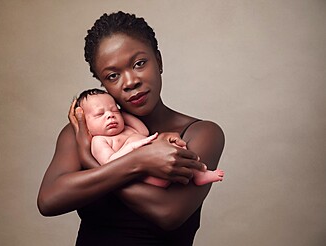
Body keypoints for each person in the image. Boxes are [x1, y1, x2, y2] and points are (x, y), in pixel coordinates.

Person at [38, 11, 225, 246]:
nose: (130, 82)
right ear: (102, 83)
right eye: (113, 75)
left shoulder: (201, 133)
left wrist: (89, 159)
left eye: (139, 64)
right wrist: (140, 161)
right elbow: (49, 200)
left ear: (159, 61)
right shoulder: (84, 131)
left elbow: (169, 213)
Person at [77, 88, 224, 187]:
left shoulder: (127, 128)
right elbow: (109, 163)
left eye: (114, 110)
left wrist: (123, 113)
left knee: (179, 148)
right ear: (85, 124)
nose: (110, 115)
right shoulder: (99, 140)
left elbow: (144, 131)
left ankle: (199, 174)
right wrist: (132, 148)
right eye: (99, 114)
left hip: (159, 159)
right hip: (142, 171)